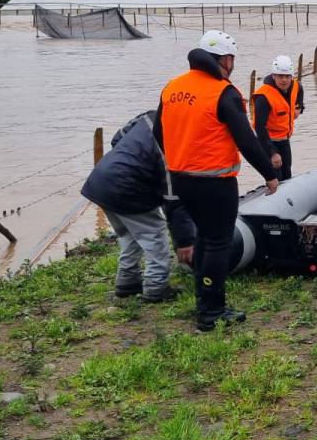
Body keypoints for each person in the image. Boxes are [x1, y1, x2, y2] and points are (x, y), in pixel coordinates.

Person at [155, 31, 280, 332]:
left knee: (202, 238)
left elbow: (158, 133)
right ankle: (211, 312)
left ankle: (204, 300)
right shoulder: (223, 92)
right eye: (232, 60)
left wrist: (179, 157)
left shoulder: (173, 87)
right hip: (215, 181)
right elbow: (247, 141)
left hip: (181, 179)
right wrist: (269, 174)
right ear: (226, 59)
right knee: (217, 243)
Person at [81, 110, 197, 302]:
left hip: (101, 180)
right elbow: (172, 197)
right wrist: (184, 240)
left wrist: (133, 160)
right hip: (127, 187)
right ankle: (156, 287)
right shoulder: (173, 143)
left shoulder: (149, 116)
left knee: (129, 236)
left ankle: (128, 282)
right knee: (154, 235)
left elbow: (118, 138)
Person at [253, 54, 305, 180]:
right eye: (280, 76)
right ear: (273, 76)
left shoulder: (296, 86)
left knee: (287, 174)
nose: (284, 80)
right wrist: (272, 153)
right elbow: (259, 127)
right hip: (268, 141)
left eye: (287, 76)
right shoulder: (263, 96)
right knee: (276, 176)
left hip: (285, 140)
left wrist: (299, 108)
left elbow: (299, 97)